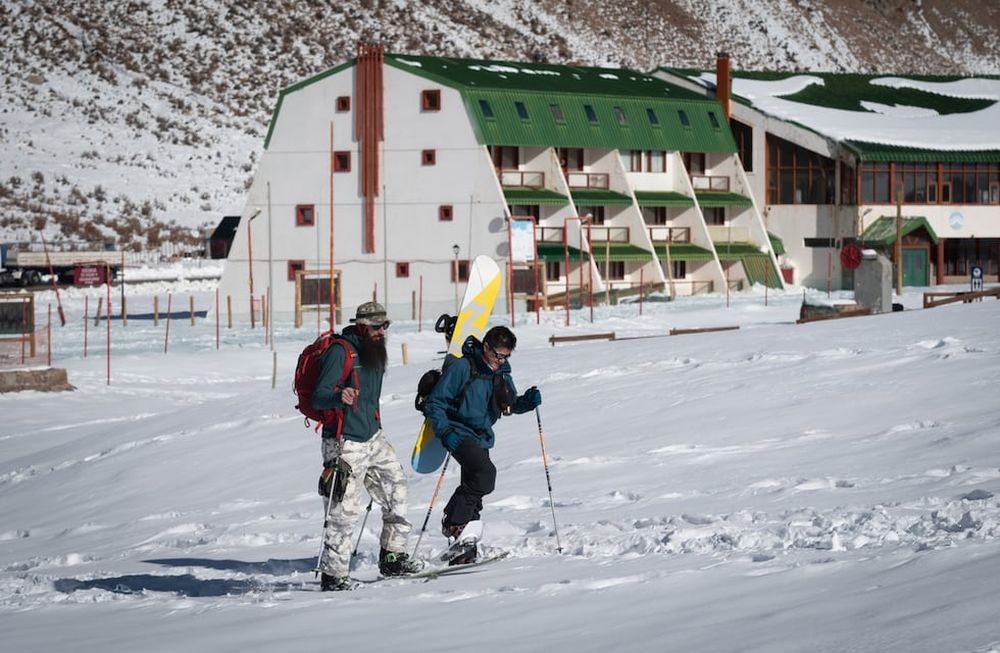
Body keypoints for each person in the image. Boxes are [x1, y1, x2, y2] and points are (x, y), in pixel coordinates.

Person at [313, 302, 420, 591]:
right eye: (375, 327)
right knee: (343, 511)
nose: (381, 331)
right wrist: (339, 396)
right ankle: (334, 576)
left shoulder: (375, 352)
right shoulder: (340, 351)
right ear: (361, 326)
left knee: (397, 489)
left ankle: (393, 556)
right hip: (344, 443)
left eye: (384, 326)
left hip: (373, 437)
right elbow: (318, 396)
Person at [422, 325, 542, 563]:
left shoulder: (502, 372)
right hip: (457, 431)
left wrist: (525, 403)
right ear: (485, 346)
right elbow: (435, 403)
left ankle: (465, 549)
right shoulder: (462, 367)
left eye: (506, 355)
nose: (501, 360)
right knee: (485, 474)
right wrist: (445, 431)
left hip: (482, 434)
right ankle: (454, 523)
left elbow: (507, 403)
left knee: (475, 491)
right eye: (497, 354)